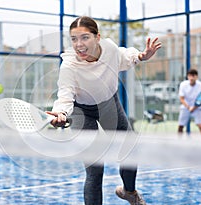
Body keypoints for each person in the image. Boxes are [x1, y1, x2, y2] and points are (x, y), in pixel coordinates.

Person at [46, 16, 161, 205]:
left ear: (97, 37)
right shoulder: (69, 66)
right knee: (95, 168)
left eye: (84, 38)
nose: (79, 44)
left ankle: (129, 192)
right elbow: (65, 94)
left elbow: (124, 57)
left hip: (109, 104)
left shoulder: (109, 49)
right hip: (80, 111)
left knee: (130, 150)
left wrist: (141, 56)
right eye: (74, 39)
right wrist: (61, 113)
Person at [177, 69, 201, 135]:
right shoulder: (183, 84)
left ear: (196, 77)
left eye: (193, 76)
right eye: (190, 76)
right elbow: (182, 99)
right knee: (180, 126)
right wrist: (188, 107)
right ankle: (178, 142)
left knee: (200, 126)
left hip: (197, 108)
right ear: (187, 76)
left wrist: (195, 107)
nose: (191, 78)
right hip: (185, 107)